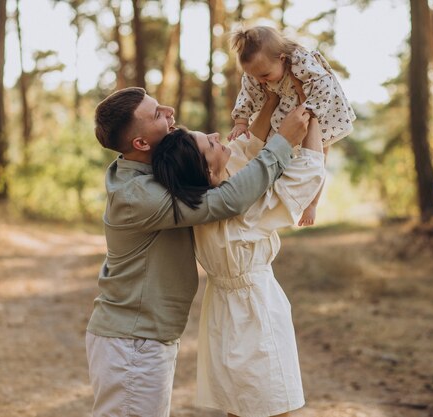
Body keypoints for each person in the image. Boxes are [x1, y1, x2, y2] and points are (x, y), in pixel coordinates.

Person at [85, 86, 310, 417]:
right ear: (141, 143)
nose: (168, 109)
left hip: (142, 337)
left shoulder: (153, 173)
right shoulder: (139, 195)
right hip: (133, 340)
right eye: (156, 113)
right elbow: (226, 200)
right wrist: (282, 143)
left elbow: (230, 156)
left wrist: (269, 104)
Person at [152, 86, 325, 417]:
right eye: (212, 143)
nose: (220, 137)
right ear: (208, 170)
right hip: (254, 309)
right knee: (272, 406)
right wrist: (311, 113)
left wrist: (271, 102)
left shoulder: (200, 200)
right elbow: (307, 177)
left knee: (240, 404)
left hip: (222, 310)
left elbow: (245, 150)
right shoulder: (241, 211)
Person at [227, 25, 356, 227]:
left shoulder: (301, 60)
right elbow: (247, 95)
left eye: (265, 76)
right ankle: (276, 194)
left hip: (318, 109)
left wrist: (311, 109)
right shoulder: (257, 72)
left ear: (282, 58)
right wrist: (241, 121)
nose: (260, 81)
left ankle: (312, 203)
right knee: (273, 150)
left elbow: (324, 83)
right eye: (255, 76)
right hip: (285, 113)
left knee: (318, 156)